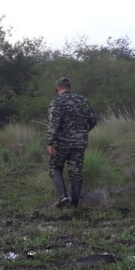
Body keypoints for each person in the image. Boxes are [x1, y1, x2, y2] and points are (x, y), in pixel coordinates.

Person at [47, 77, 97, 208]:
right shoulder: (82, 100)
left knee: (55, 168)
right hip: (79, 143)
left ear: (57, 89)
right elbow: (93, 120)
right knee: (76, 173)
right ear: (69, 87)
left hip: (61, 143)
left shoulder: (57, 101)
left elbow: (54, 124)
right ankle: (74, 204)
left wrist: (50, 142)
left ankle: (64, 196)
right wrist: (82, 132)